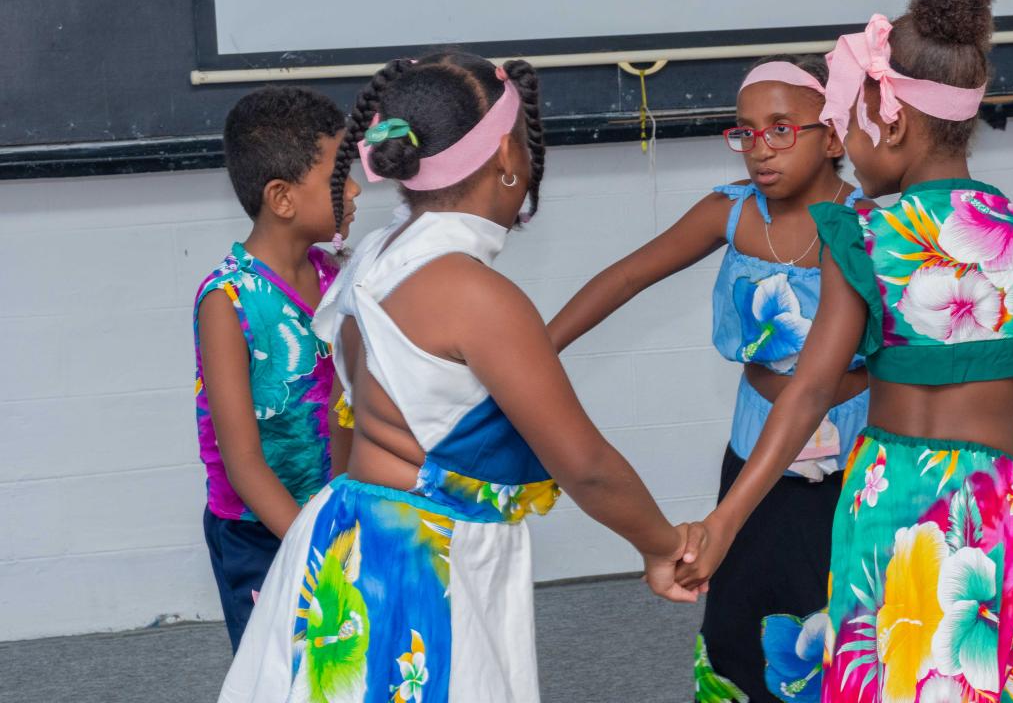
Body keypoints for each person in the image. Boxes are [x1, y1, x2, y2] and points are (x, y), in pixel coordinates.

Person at [219, 53, 699, 703]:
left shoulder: (375, 258)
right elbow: (584, 464)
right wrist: (662, 544)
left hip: (352, 531)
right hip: (428, 559)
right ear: (507, 154)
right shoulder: (475, 295)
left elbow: (343, 412)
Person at [678, 0, 1013, 703]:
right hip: (987, 495)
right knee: (969, 675)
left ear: (892, 120)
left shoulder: (867, 235)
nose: (848, 143)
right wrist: (990, 427)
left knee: (882, 670)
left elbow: (809, 392)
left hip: (884, 495)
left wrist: (723, 521)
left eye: (850, 121)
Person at [548, 55, 869, 702]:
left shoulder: (868, 224)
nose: (759, 149)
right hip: (759, 456)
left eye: (781, 129)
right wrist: (538, 350)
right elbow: (626, 276)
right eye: (745, 131)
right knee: (743, 620)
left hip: (858, 460)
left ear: (831, 136)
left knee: (844, 618)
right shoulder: (731, 211)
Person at [194, 86, 360, 651]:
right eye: (340, 178)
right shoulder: (228, 301)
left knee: (343, 665)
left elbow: (350, 407)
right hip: (261, 533)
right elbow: (241, 461)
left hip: (333, 517)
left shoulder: (337, 277)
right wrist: (313, 555)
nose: (356, 190)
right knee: (278, 673)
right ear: (282, 198)